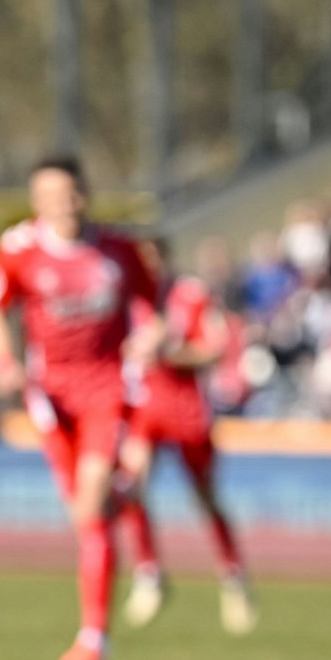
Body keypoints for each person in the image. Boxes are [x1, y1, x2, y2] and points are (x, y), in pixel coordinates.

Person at [0, 155, 161, 660]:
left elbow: (152, 308)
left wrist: (151, 337)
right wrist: (3, 362)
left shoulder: (119, 252)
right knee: (90, 515)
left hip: (106, 389)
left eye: (71, 192)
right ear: (37, 202)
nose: (63, 204)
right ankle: (129, 502)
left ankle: (93, 640)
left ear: (85, 194)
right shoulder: (19, 250)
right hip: (49, 397)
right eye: (50, 195)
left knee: (89, 505)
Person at [115, 239, 258, 636]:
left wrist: (169, 353)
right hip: (143, 407)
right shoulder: (126, 300)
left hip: (187, 410)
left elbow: (213, 351)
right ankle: (150, 575)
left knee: (206, 499)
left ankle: (234, 579)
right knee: (131, 485)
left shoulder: (190, 295)